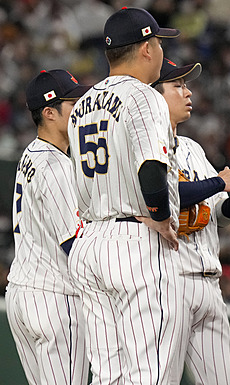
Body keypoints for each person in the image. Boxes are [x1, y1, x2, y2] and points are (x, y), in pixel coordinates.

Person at [66, 7, 185, 384]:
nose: (162, 51)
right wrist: (162, 217)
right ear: (147, 48)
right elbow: (151, 167)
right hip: (133, 240)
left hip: (90, 242)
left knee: (107, 374)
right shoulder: (145, 97)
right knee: (150, 369)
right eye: (160, 43)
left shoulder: (80, 106)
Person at [151, 58, 230, 385]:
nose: (188, 92)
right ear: (155, 96)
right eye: (178, 86)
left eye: (186, 85)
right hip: (169, 282)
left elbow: (219, 215)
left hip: (208, 280)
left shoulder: (193, 149)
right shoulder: (143, 145)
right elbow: (160, 194)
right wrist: (219, 182)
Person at [6, 69, 90, 385]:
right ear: (49, 113)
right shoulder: (56, 168)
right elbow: (74, 245)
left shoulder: (32, 153)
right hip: (56, 298)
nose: (81, 109)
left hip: (22, 293)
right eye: (74, 103)